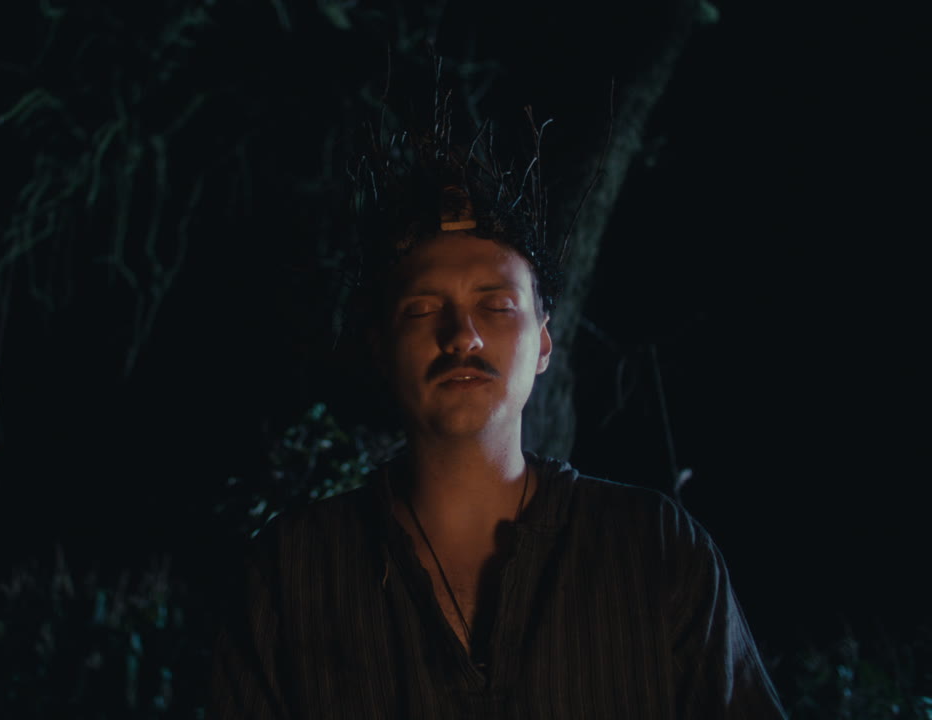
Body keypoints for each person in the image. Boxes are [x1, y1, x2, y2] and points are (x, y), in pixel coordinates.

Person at [209, 129, 787, 718]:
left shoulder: (656, 550)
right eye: (423, 308)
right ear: (379, 349)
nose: (463, 335)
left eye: (497, 304)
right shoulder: (293, 571)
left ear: (542, 342)